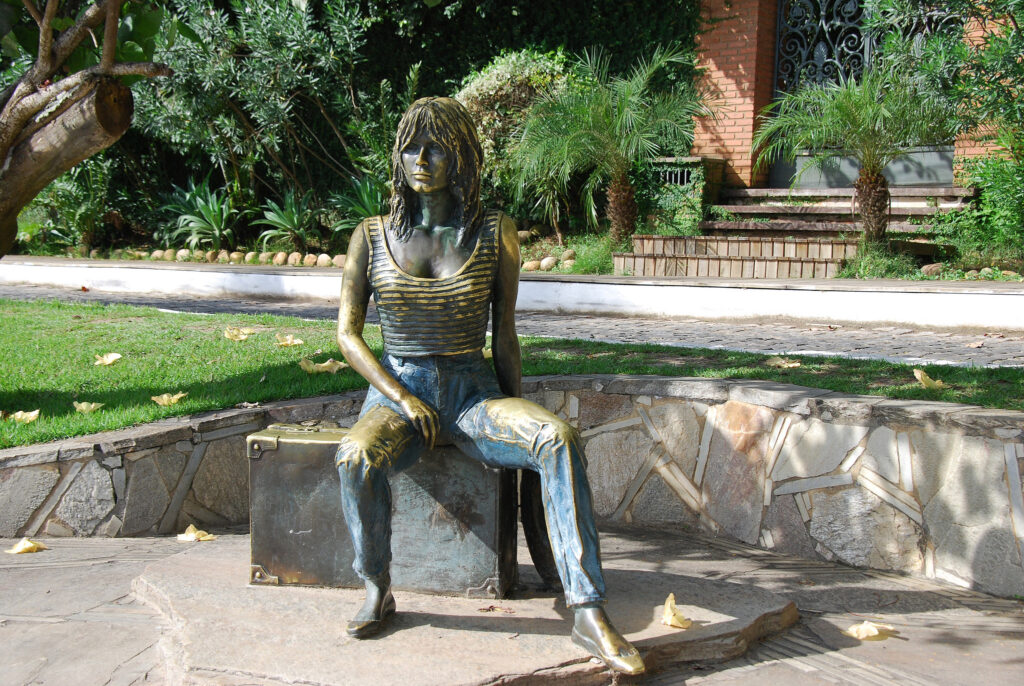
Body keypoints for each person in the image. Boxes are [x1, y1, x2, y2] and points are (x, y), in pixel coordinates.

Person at [334, 96, 644, 676]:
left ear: (462, 156)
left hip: (471, 394)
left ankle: (587, 608)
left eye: (435, 147)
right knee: (355, 456)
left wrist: (517, 415)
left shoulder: (495, 232)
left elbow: (505, 336)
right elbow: (348, 336)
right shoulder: (369, 236)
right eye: (410, 147)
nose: (420, 159)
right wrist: (401, 397)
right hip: (399, 393)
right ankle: (376, 585)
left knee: (556, 438)